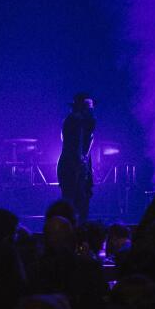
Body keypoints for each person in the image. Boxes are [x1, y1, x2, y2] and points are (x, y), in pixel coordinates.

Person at [57, 93, 96, 222]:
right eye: (88, 107)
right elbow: (75, 145)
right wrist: (82, 161)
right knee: (75, 202)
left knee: (79, 201)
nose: (91, 110)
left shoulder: (78, 122)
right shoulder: (75, 121)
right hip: (72, 166)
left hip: (76, 165)